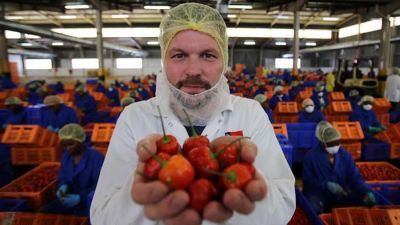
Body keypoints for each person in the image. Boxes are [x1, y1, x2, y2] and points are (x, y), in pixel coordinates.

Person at [90, 3, 295, 225]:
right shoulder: (134, 118)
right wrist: (144, 185)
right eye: (179, 55)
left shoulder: (251, 114)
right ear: (164, 62)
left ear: (223, 62)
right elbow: (102, 217)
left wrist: (241, 182)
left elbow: (283, 204)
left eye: (208, 55)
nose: (193, 70)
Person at [303, 121, 376, 214]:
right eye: (330, 144)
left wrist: (365, 191)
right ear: (322, 142)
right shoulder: (310, 157)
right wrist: (325, 185)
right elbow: (308, 180)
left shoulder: (345, 155)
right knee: (312, 207)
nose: (334, 146)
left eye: (337, 142)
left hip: (341, 193)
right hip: (319, 195)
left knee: (361, 200)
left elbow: (354, 176)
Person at [41, 124, 104, 216]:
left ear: (81, 141)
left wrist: (80, 198)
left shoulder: (96, 157)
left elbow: (100, 186)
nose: (68, 148)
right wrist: (63, 186)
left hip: (90, 201)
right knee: (44, 212)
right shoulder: (66, 156)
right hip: (70, 197)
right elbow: (63, 176)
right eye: (64, 145)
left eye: (71, 144)